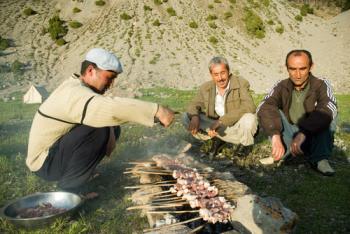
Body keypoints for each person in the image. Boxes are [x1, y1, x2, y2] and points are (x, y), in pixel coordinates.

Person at [26, 48, 175, 192]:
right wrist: (156, 110)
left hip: (53, 155)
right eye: (109, 78)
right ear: (90, 70)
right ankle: (70, 189)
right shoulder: (74, 93)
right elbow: (109, 109)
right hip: (45, 163)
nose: (111, 84)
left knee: (111, 127)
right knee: (99, 129)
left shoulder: (76, 87)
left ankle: (82, 173)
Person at [257, 49, 337, 176]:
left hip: (312, 136)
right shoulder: (281, 85)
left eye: (303, 68)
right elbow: (264, 106)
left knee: (327, 115)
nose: (298, 74)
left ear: (311, 66)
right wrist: (275, 135)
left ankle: (320, 159)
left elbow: (329, 106)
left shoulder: (321, 84)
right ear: (287, 68)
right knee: (269, 110)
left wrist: (303, 132)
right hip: (290, 135)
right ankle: (281, 153)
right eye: (292, 69)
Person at [182, 56, 258, 159]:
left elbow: (249, 106)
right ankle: (218, 138)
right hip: (214, 126)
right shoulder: (206, 88)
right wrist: (195, 117)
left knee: (250, 118)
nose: (220, 78)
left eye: (223, 73)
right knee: (186, 117)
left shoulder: (241, 83)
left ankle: (245, 145)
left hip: (234, 126)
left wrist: (222, 121)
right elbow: (194, 104)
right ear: (211, 75)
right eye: (216, 74)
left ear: (228, 71)